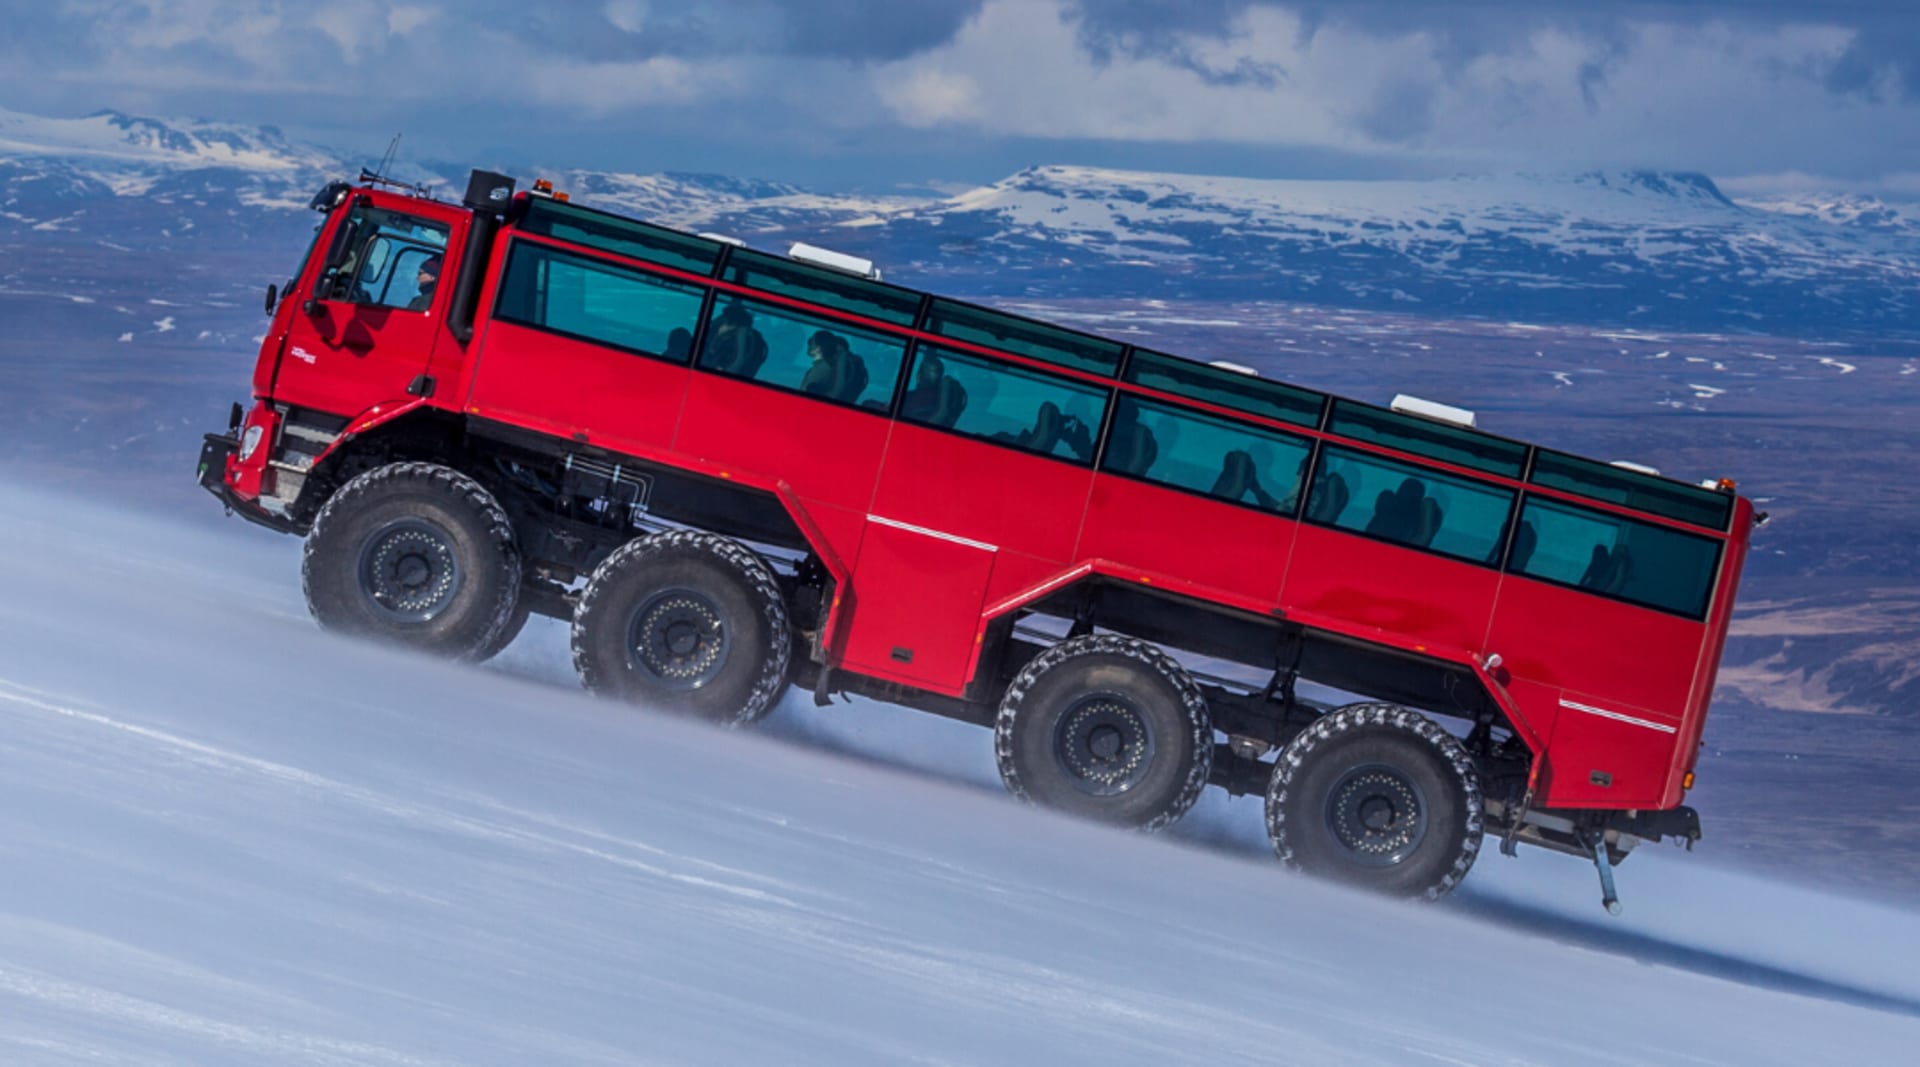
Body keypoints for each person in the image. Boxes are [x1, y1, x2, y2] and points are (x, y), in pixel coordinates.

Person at [800, 329, 868, 403]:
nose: (809, 344)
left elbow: (835, 392)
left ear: (819, 348)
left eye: (812, 342)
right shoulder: (823, 366)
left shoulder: (822, 368)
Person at [901, 352, 967, 427]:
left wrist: (945, 392)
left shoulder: (945, 398)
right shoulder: (908, 396)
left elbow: (939, 419)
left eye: (936, 372)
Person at [705, 303, 768, 378]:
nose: (719, 327)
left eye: (723, 323)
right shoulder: (751, 341)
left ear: (732, 326)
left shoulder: (734, 344)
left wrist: (716, 337)